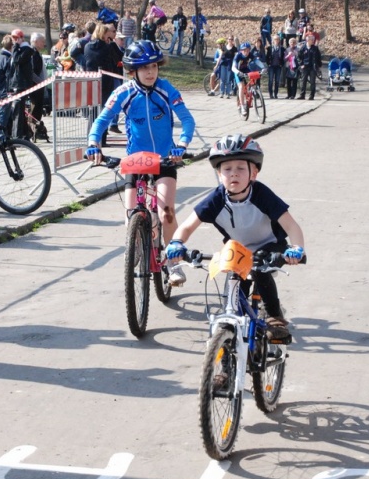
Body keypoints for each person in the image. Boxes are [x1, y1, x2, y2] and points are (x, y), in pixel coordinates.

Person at [165, 134, 306, 339]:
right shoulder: (216, 198)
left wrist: (297, 249)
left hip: (270, 246)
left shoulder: (262, 195)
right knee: (234, 289)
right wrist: (176, 243)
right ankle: (225, 359)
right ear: (219, 174)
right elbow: (187, 226)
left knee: (259, 272)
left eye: (241, 168)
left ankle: (275, 317)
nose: (234, 174)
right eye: (227, 169)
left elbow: (292, 226)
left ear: (254, 173)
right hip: (238, 249)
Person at [86, 40, 195, 284]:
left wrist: (183, 145)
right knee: (130, 211)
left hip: (166, 159)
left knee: (166, 211)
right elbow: (102, 120)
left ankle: (174, 262)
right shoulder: (123, 92)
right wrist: (94, 143)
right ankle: (134, 246)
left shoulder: (166, 89)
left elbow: (187, 120)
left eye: (154, 66)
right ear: (131, 70)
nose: (150, 72)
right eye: (144, 67)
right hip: (136, 160)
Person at [7, 28, 33, 140]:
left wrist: (16, 47)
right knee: (19, 109)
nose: (14, 40)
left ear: (21, 38)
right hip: (16, 83)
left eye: (17, 38)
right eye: (13, 38)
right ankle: (25, 134)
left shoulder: (26, 49)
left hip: (21, 84)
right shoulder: (17, 50)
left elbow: (17, 60)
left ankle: (16, 136)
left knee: (18, 109)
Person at [0, 34, 14, 131]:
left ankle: (5, 135)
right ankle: (0, 136)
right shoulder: (7, 59)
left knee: (4, 114)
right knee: (3, 116)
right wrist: (8, 91)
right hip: (4, 91)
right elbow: (9, 77)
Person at [232, 42, 253, 117]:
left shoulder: (250, 54)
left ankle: (254, 92)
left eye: (248, 50)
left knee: (254, 77)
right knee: (241, 86)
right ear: (241, 50)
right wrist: (238, 72)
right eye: (245, 50)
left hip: (245, 69)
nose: (246, 52)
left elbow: (256, 61)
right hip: (238, 71)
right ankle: (242, 106)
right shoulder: (237, 56)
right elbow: (233, 67)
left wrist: (263, 67)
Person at [297, 33, 321, 100]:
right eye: (311, 40)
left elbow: (318, 57)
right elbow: (298, 57)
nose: (313, 41)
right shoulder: (303, 48)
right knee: (303, 81)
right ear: (308, 40)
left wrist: (318, 65)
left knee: (312, 82)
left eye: (313, 40)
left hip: (312, 67)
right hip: (305, 67)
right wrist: (301, 64)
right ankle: (302, 95)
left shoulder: (315, 48)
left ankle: (311, 95)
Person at [266, 34, 285, 99]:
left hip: (278, 67)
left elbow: (283, 58)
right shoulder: (269, 48)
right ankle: (270, 94)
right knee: (270, 80)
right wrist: (268, 63)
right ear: (273, 40)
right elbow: (267, 57)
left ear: (279, 40)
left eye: (277, 39)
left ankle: (275, 93)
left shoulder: (282, 49)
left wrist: (281, 64)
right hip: (271, 66)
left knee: (277, 81)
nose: (276, 41)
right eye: (275, 39)